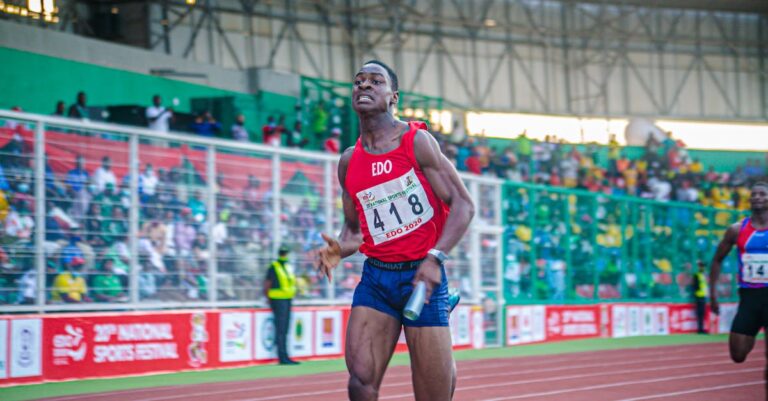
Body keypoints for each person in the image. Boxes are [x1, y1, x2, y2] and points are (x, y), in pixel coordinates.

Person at [316, 60, 474, 401]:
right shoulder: (348, 162)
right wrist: (338, 249)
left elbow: (464, 205)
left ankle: (443, 339)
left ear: (393, 97)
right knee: (360, 383)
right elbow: (354, 232)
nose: (364, 86)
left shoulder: (417, 143)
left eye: (375, 81)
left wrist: (435, 258)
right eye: (359, 81)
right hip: (377, 280)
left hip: (423, 277)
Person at [709, 181, 768, 398]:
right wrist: (712, 294)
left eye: (762, 194)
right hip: (749, 299)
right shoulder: (736, 230)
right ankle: (752, 333)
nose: (757, 197)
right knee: (738, 354)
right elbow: (716, 260)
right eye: (754, 194)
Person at [263, 245, 298, 365]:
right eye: (283, 253)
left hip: (287, 299)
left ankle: (285, 355)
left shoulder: (288, 266)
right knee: (281, 329)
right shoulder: (274, 266)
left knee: (285, 329)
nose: (284, 255)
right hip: (278, 300)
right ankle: (282, 356)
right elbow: (267, 283)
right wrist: (268, 298)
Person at [691, 260, 708, 334]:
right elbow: (695, 286)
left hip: (703, 296)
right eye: (701, 266)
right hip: (699, 296)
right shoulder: (697, 275)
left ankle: (701, 328)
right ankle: (700, 329)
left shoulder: (703, 275)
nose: (702, 267)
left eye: (703, 266)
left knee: (702, 313)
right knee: (700, 313)